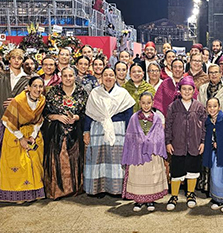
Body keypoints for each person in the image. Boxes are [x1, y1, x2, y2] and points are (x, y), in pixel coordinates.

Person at [0, 76, 46, 203]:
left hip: (30, 131)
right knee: (17, 164)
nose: (37, 89)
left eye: (40, 86)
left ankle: (32, 192)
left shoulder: (42, 100)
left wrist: (33, 135)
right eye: (35, 86)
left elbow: (38, 120)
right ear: (28, 87)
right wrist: (21, 138)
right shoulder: (18, 101)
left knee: (34, 162)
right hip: (13, 131)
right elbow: (8, 122)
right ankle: (17, 195)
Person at [83, 67, 135, 196]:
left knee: (115, 160)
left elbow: (129, 113)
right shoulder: (95, 93)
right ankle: (99, 188)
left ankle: (116, 189)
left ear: (115, 77)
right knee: (98, 158)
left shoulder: (122, 93)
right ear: (101, 77)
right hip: (98, 129)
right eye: (106, 75)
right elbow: (89, 114)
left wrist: (129, 132)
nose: (108, 77)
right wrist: (86, 131)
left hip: (118, 129)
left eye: (111, 75)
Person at [43, 67, 89, 199]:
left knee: (74, 160)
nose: (68, 78)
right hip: (56, 133)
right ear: (61, 77)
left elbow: (87, 113)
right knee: (57, 161)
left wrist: (77, 118)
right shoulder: (53, 92)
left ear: (75, 76)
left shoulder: (82, 92)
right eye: (65, 76)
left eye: (71, 75)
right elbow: (45, 112)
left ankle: (73, 189)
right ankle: (57, 191)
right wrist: (56, 117)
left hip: (76, 133)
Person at [165, 76, 207, 211]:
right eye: (184, 89)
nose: (187, 92)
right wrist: (168, 142)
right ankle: (174, 195)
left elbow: (204, 126)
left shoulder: (199, 107)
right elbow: (168, 126)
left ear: (194, 90)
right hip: (177, 145)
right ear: (179, 90)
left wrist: (202, 142)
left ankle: (190, 194)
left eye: (190, 89)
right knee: (177, 172)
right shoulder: (173, 106)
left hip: (194, 144)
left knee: (192, 171)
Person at [122, 92, 168, 212]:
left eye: (149, 103)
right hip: (137, 153)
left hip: (152, 153)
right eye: (143, 103)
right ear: (139, 103)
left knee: (151, 176)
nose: (146, 105)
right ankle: (138, 200)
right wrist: (139, 141)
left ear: (153, 103)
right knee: (138, 176)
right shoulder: (134, 118)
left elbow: (160, 136)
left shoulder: (157, 118)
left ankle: (150, 200)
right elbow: (130, 135)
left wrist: (151, 142)